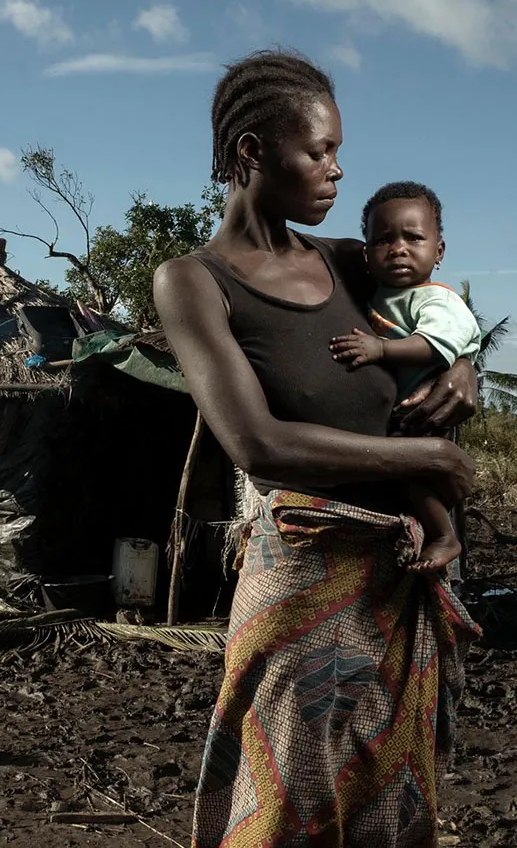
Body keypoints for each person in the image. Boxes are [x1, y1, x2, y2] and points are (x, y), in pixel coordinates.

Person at [154, 49, 481, 848]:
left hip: (395, 577)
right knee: (285, 803)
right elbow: (256, 442)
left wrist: (465, 367)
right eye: (320, 150)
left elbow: (439, 315)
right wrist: (427, 461)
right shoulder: (194, 281)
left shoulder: (342, 260)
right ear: (251, 154)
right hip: (303, 575)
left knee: (388, 800)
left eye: (337, 150)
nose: (338, 169)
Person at [330, 181, 481, 571]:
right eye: (383, 240)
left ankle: (444, 535)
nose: (398, 248)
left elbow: (431, 345)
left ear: (439, 250)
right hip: (396, 419)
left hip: (421, 416)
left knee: (408, 476)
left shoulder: (436, 299)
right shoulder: (377, 293)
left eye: (413, 237)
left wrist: (380, 349)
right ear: (366, 254)